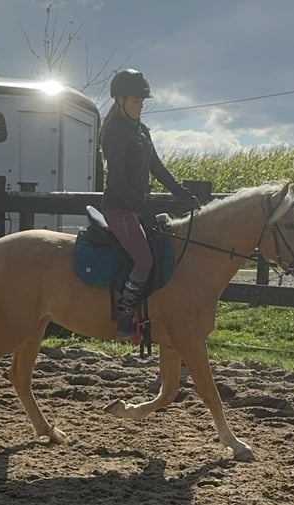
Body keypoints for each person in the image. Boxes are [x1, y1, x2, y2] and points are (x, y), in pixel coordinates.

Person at [99, 68, 201, 340]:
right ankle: (124, 317)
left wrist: (182, 194)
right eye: (136, 101)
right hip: (118, 208)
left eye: (142, 101)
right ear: (120, 100)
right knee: (143, 259)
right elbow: (116, 180)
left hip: (133, 207)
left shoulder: (140, 130)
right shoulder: (114, 133)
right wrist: (139, 204)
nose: (141, 105)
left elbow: (157, 167)